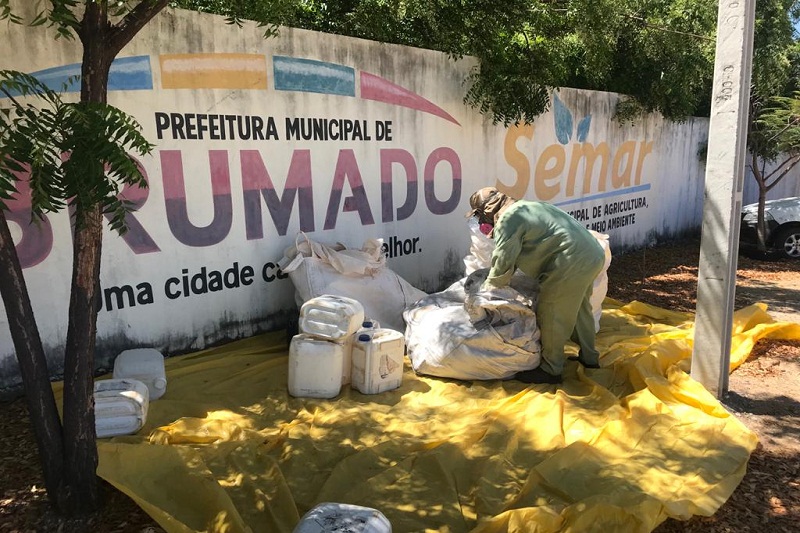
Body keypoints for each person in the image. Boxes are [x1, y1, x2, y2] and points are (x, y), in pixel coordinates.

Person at [466, 187, 606, 384]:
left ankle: (551, 369)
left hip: (569, 261)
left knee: (552, 312)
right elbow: (517, 252)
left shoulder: (508, 219)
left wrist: (489, 289)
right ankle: (589, 358)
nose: (482, 222)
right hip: (592, 255)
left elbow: (504, 258)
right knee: (580, 308)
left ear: (487, 211)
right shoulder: (528, 207)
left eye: (480, 217)